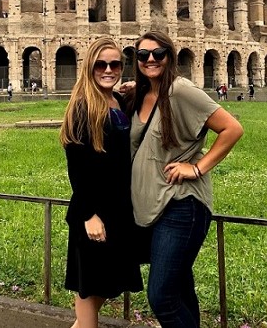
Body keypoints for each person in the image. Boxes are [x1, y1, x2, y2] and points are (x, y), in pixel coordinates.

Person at [125, 30, 243, 328]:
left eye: (158, 54)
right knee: (178, 290)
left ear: (170, 56)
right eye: (143, 55)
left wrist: (197, 168)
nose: (150, 60)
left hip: (181, 203)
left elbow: (232, 129)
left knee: (162, 296)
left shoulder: (180, 90)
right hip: (155, 204)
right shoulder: (142, 94)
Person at [59, 37, 143, 328]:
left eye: (115, 64)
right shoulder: (83, 106)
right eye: (101, 64)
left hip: (118, 207)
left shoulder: (117, 100)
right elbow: (77, 167)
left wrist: (139, 87)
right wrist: (88, 214)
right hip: (94, 210)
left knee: (108, 281)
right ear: (89, 67)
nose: (108, 70)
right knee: (90, 285)